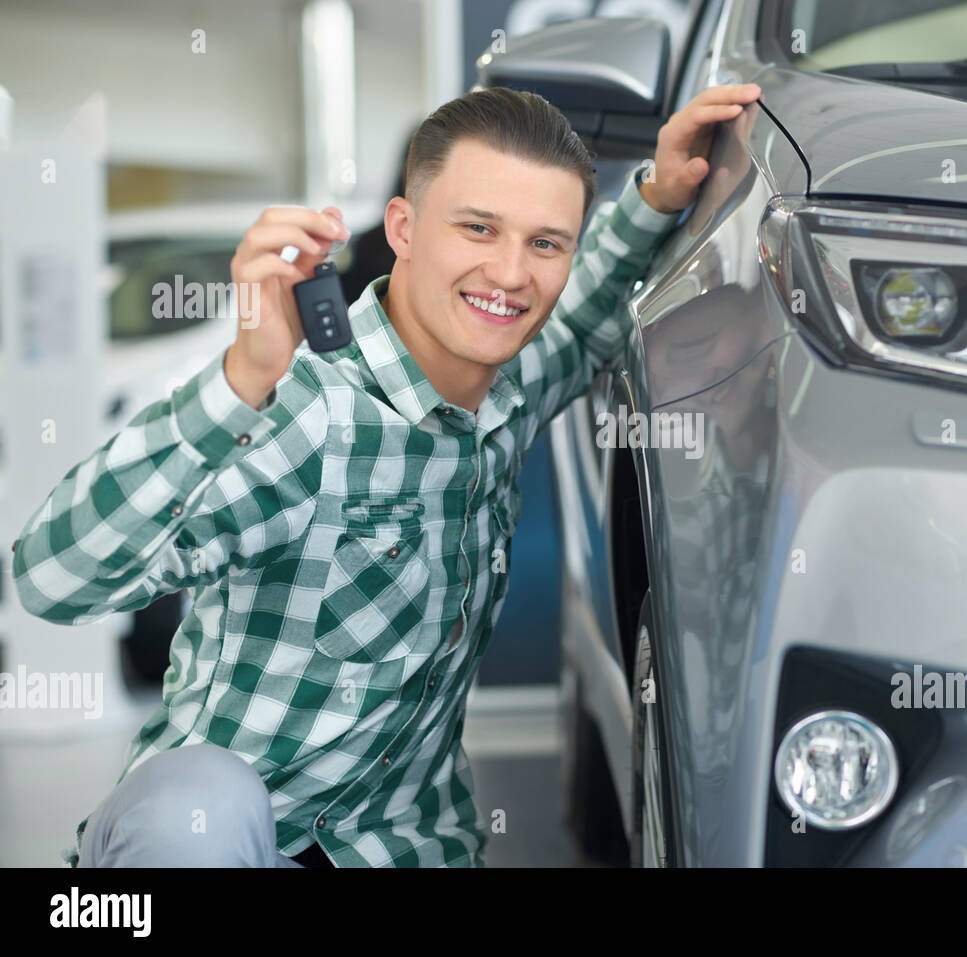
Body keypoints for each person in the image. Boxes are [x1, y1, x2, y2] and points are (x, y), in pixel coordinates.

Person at [12, 82, 762, 867]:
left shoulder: (505, 396)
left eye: (546, 243)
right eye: (478, 228)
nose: (510, 273)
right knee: (197, 799)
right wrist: (239, 380)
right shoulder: (302, 414)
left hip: (400, 848)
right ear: (403, 228)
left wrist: (655, 192)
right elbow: (53, 578)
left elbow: (580, 313)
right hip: (226, 844)